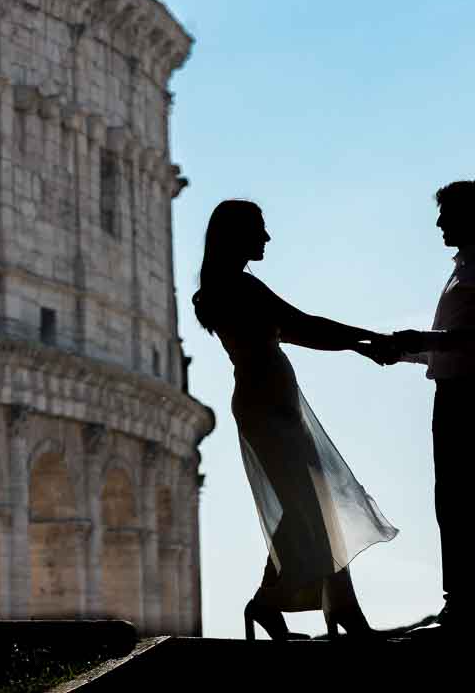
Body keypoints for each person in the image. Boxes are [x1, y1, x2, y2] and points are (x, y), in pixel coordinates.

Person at [192, 199, 398, 640]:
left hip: (272, 403)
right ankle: (273, 603)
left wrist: (359, 345)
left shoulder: (232, 286)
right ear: (237, 235)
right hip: (267, 406)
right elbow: (301, 323)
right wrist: (369, 337)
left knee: (309, 503)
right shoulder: (238, 287)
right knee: (306, 504)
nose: (266, 239)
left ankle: (329, 607)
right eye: (259, 230)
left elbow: (300, 332)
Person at [368, 180, 475, 636]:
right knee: (450, 498)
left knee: (458, 496)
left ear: (471, 217)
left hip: (473, 392)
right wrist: (405, 353)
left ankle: (462, 603)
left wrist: (419, 340)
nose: (438, 223)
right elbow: (455, 344)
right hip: (455, 390)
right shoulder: (464, 270)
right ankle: (459, 599)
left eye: (445, 214)